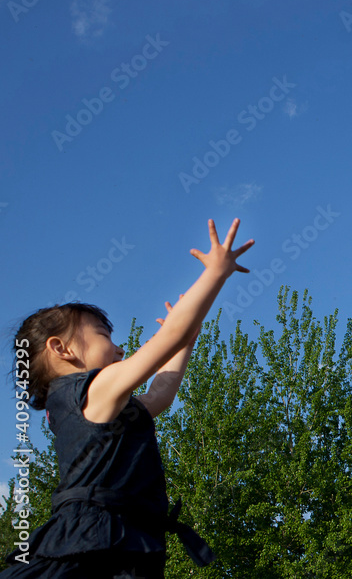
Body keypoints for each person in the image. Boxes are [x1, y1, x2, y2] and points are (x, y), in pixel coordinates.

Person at [3, 219, 253, 578]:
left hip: (124, 540)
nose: (119, 348)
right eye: (105, 334)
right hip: (94, 544)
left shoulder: (98, 404)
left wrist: (188, 336)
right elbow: (165, 339)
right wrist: (215, 274)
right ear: (63, 349)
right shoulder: (89, 390)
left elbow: (160, 395)